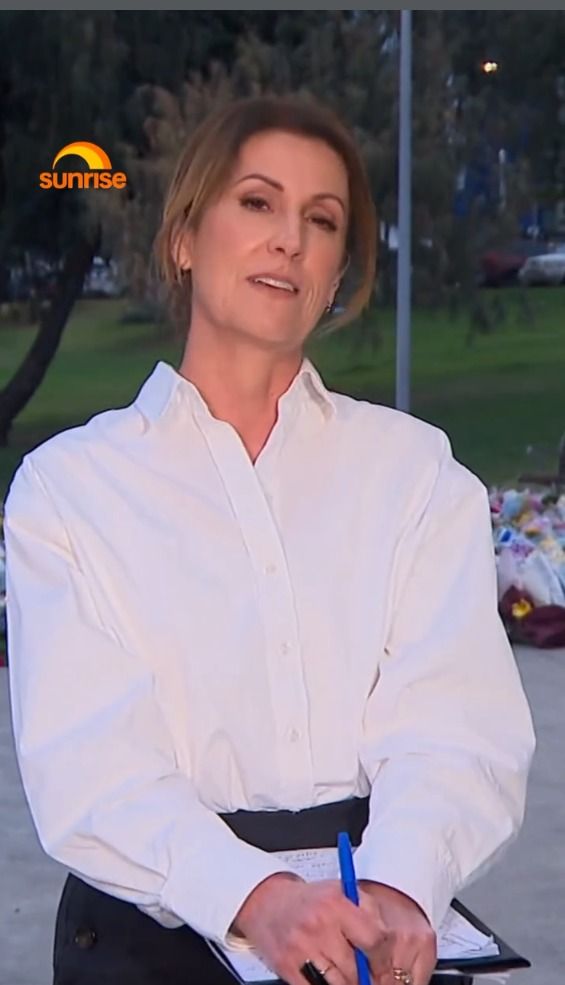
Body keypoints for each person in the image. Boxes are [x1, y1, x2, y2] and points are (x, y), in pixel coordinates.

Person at [4, 94, 535, 985]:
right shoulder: (69, 491)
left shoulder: (414, 474)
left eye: (321, 220)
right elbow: (90, 766)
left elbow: (456, 724)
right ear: (183, 237)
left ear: (335, 273)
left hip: (374, 935)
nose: (289, 239)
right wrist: (253, 895)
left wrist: (398, 887)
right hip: (150, 938)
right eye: (257, 202)